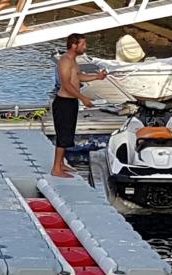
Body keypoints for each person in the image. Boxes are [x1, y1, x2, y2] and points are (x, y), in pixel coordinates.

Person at [52, 33, 107, 178]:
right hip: (63, 102)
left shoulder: (73, 60)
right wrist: (82, 98)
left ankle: (61, 164)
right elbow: (66, 84)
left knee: (68, 134)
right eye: (83, 44)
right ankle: (56, 169)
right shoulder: (65, 60)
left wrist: (97, 76)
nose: (85, 47)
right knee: (63, 135)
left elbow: (78, 76)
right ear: (73, 45)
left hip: (71, 102)